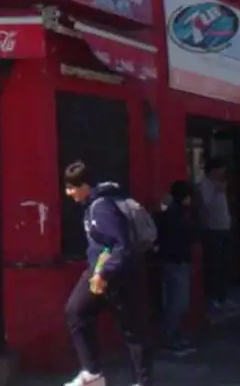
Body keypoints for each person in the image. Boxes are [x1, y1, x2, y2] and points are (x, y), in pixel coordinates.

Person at [62, 161, 152, 386]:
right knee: (77, 311)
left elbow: (118, 245)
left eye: (72, 187)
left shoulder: (101, 207)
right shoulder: (96, 204)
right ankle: (93, 373)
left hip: (117, 275)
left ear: (85, 186)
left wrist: (103, 273)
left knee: (132, 330)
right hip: (103, 272)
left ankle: (141, 381)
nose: (68, 193)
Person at [153, 181, 197, 355]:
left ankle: (174, 337)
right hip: (177, 262)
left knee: (176, 302)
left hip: (173, 261)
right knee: (177, 303)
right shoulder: (178, 215)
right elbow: (185, 237)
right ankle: (170, 339)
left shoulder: (170, 212)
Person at [197, 157, 236, 314]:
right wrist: (216, 190)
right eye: (221, 169)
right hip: (212, 230)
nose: (223, 172)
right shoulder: (206, 185)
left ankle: (223, 296)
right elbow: (205, 205)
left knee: (224, 264)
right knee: (215, 264)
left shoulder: (221, 185)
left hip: (224, 228)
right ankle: (213, 298)